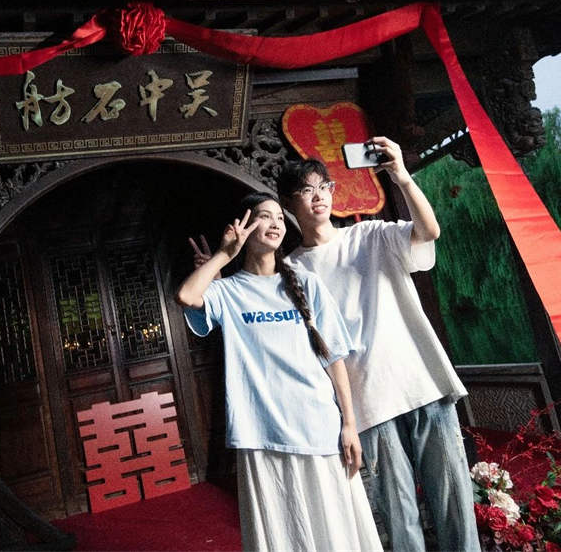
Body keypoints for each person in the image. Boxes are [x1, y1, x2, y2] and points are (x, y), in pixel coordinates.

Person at [274, 136, 480, 551]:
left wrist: (401, 176)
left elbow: (429, 231)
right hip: (367, 402)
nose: (318, 196)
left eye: (324, 186)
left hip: (420, 382)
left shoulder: (369, 234)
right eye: (306, 191)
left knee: (454, 505)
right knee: (399, 518)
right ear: (288, 204)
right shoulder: (291, 272)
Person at [176, 192, 383, 552]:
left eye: (279, 217)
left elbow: (334, 358)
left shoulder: (307, 283)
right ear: (241, 226)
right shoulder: (227, 291)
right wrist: (224, 255)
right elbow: (186, 296)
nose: (275, 223)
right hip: (260, 429)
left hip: (316, 423)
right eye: (264, 216)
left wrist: (349, 424)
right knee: (283, 531)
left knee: (333, 527)